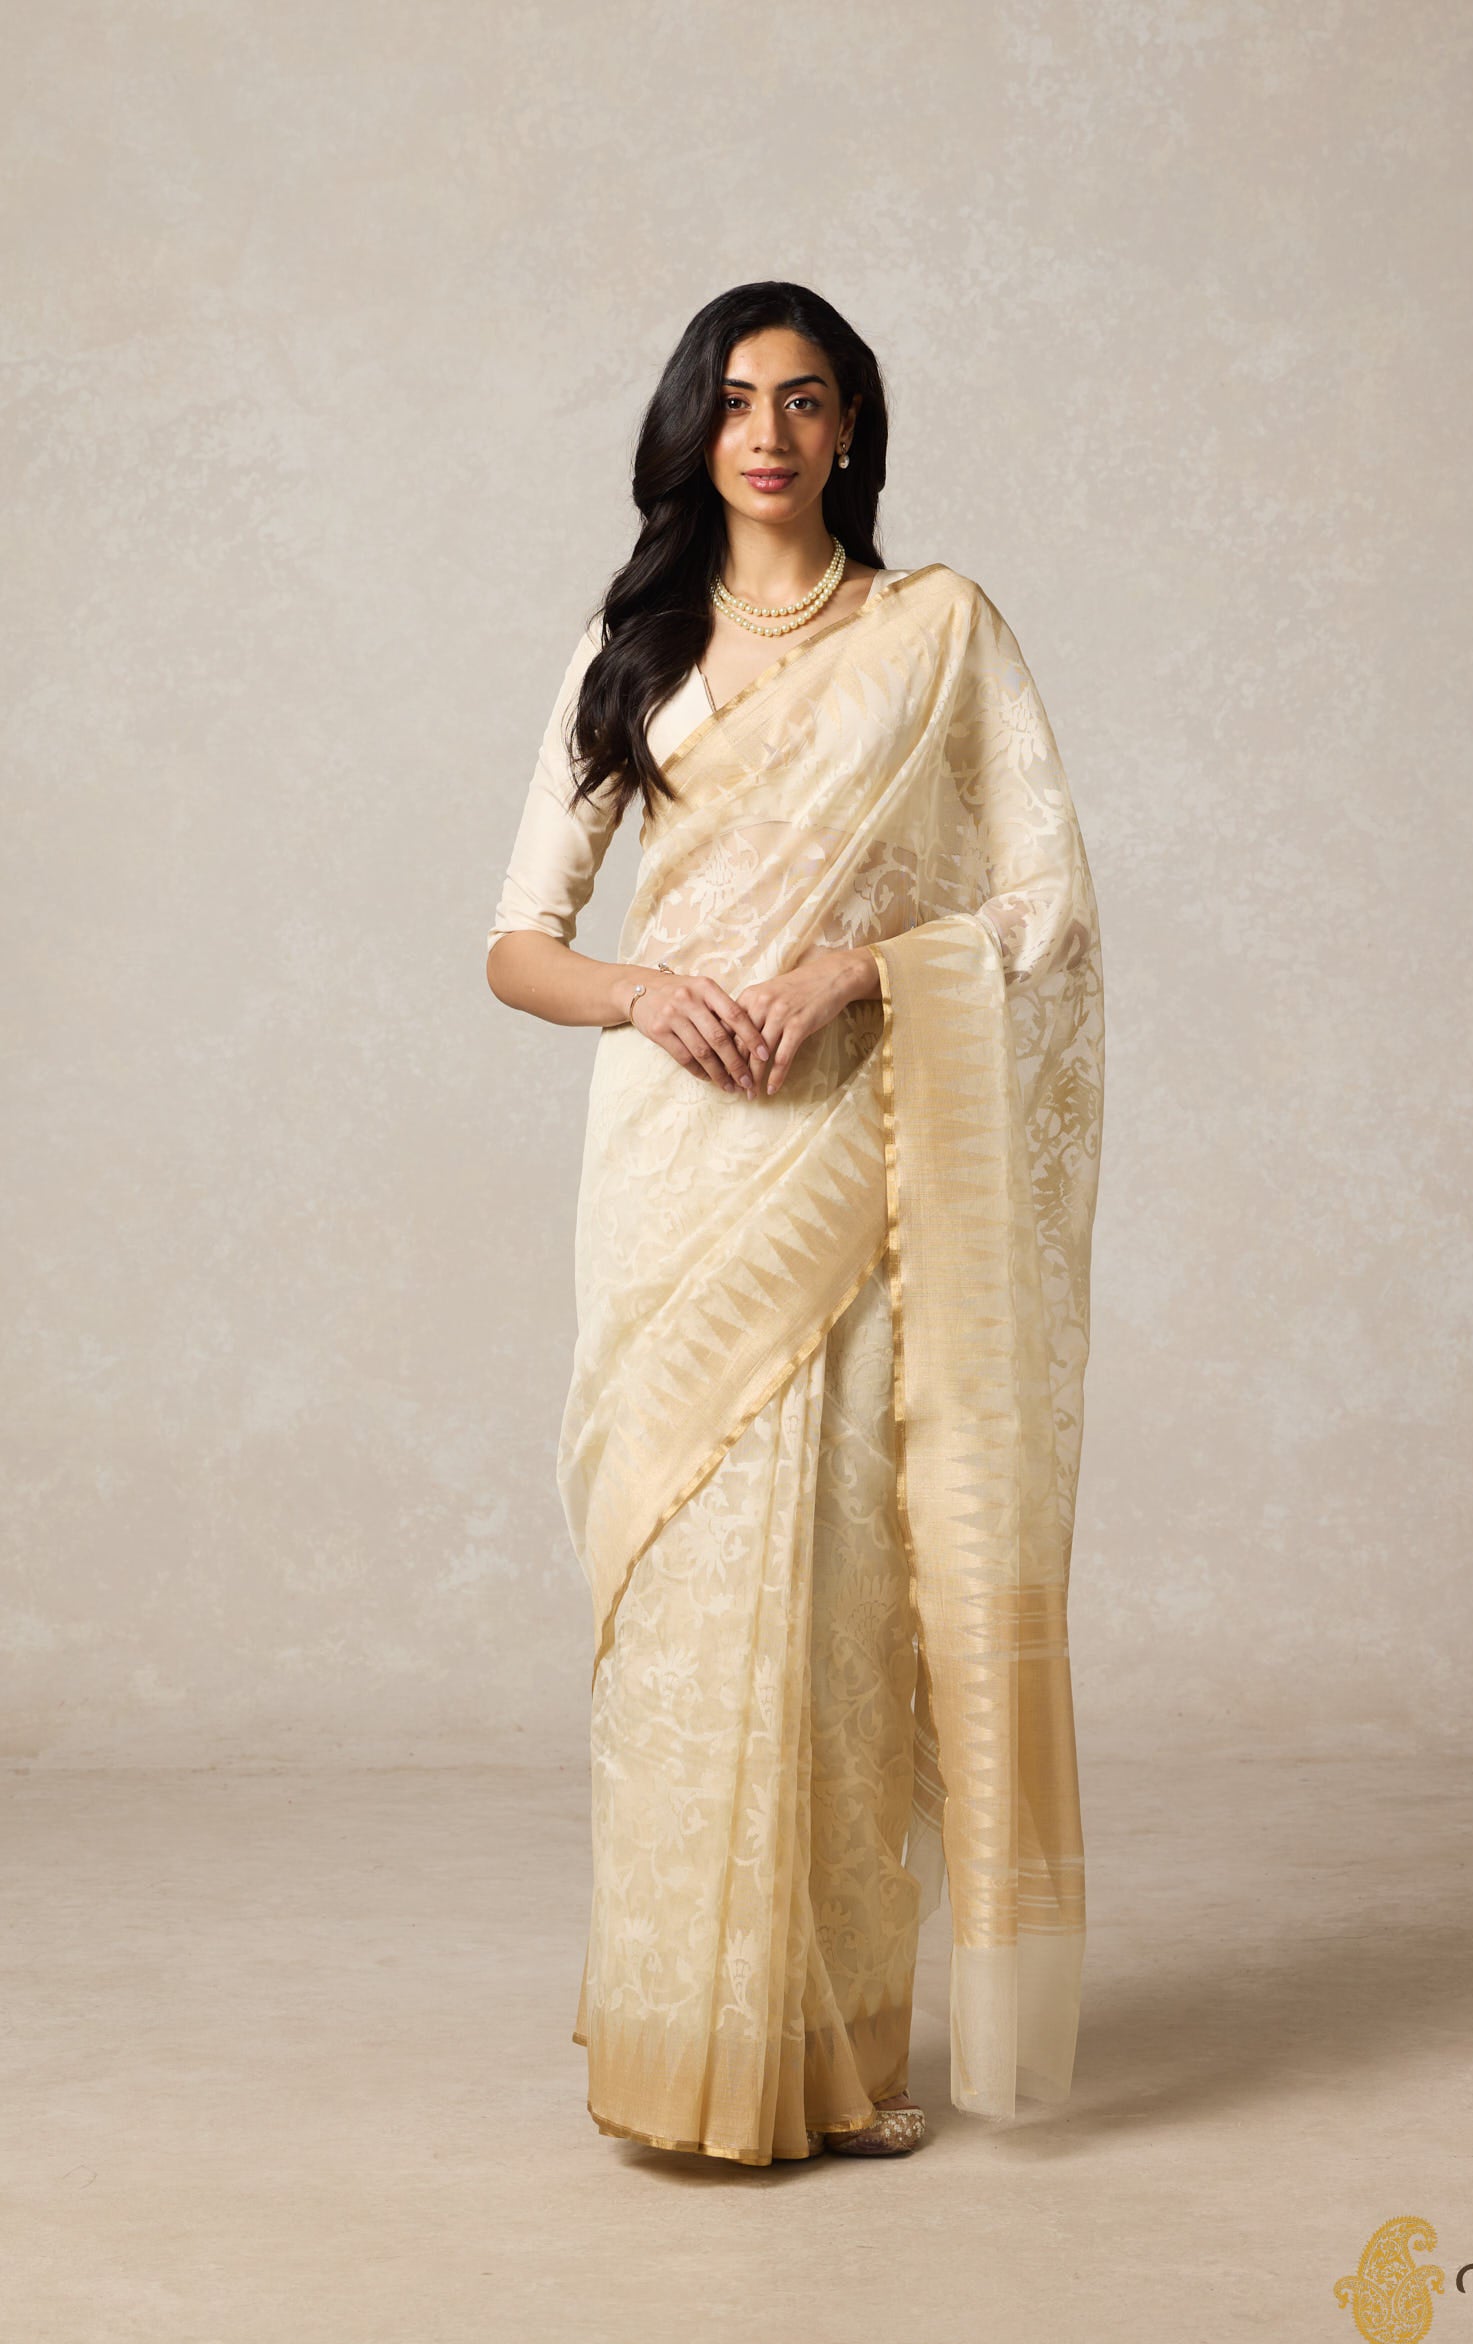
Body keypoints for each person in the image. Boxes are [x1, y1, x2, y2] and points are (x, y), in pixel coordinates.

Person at [486, 281, 1104, 2167]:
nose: (769, 433)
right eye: (738, 399)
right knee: (683, 1610)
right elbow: (518, 942)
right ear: (694, 427)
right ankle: (682, 2043)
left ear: (853, 430)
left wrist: (856, 970)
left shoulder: (938, 633)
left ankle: (836, 2055)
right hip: (675, 1166)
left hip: (861, 1156)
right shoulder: (631, 648)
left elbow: (1046, 904)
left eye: (807, 399)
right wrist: (647, 996)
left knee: (842, 1598)